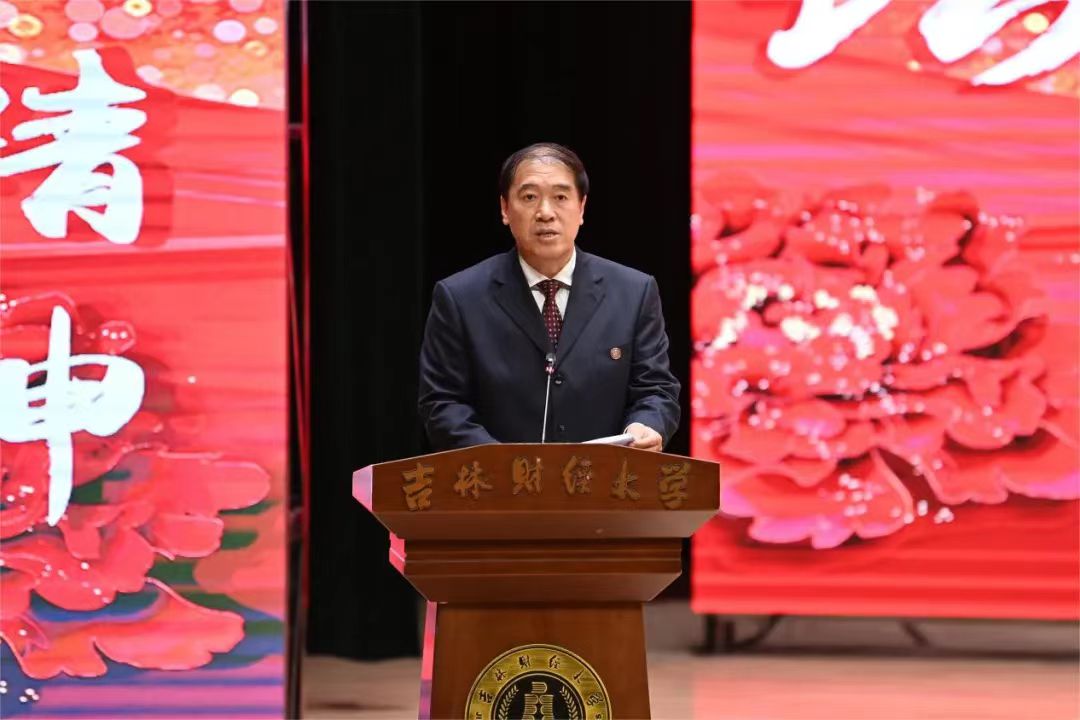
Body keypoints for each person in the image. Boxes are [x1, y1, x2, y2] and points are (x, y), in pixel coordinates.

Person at [418, 142, 680, 452]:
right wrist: (501, 462)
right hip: (500, 480)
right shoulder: (460, 297)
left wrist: (645, 425)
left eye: (560, 197)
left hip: (604, 478)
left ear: (581, 208)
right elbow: (443, 403)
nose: (545, 213)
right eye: (529, 197)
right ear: (505, 209)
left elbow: (656, 389)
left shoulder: (634, 292)